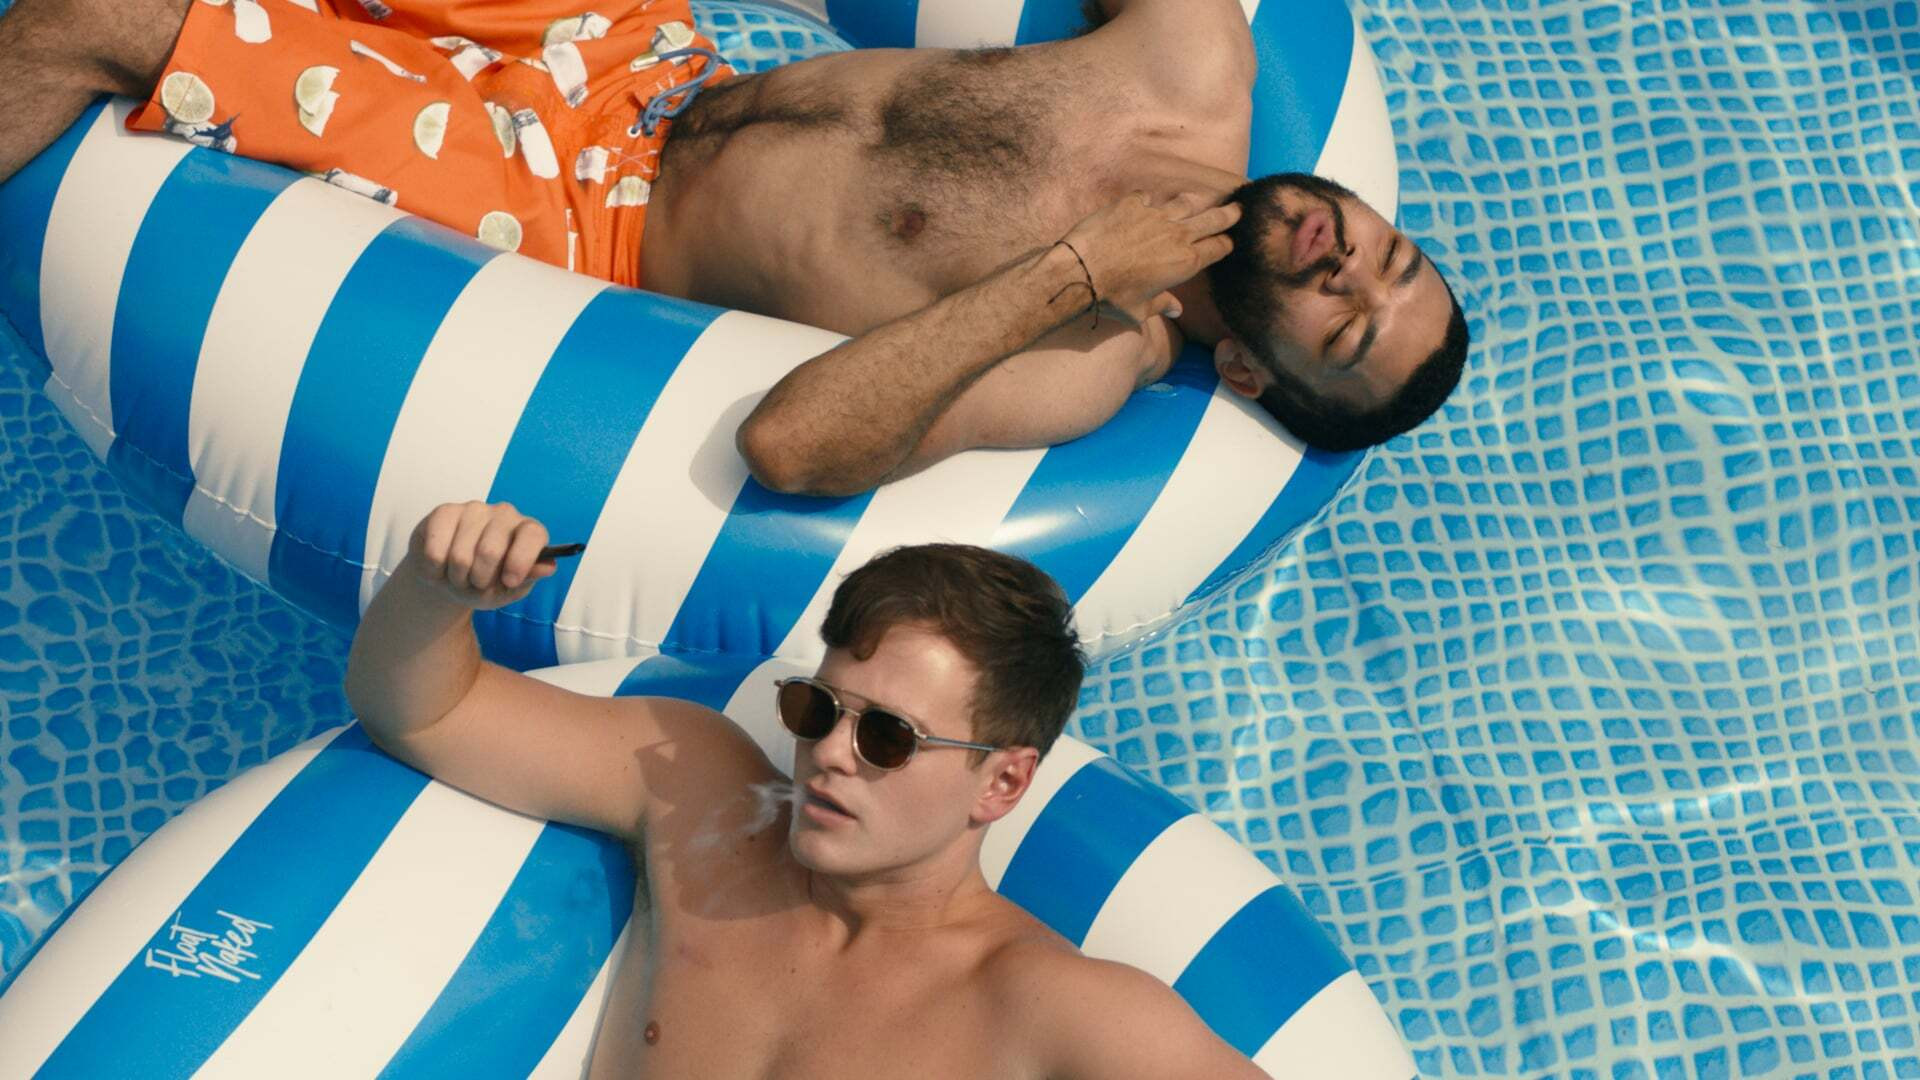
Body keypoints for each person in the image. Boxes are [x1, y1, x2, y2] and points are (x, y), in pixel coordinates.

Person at [2, 0, 1468, 494]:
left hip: (578, 214)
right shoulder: (1194, 63)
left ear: (1253, 374)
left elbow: (795, 445)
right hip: (640, 51)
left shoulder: (1086, 357)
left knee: (94, 20)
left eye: (1344, 322)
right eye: (1392, 260)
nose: (1349, 263)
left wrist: (1080, 268)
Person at [342, 498, 1269, 1077]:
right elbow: (422, 712)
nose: (829, 752)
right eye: (818, 708)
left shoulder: (1054, 1011)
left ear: (1002, 782)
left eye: (888, 737)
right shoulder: (703, 804)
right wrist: (438, 586)